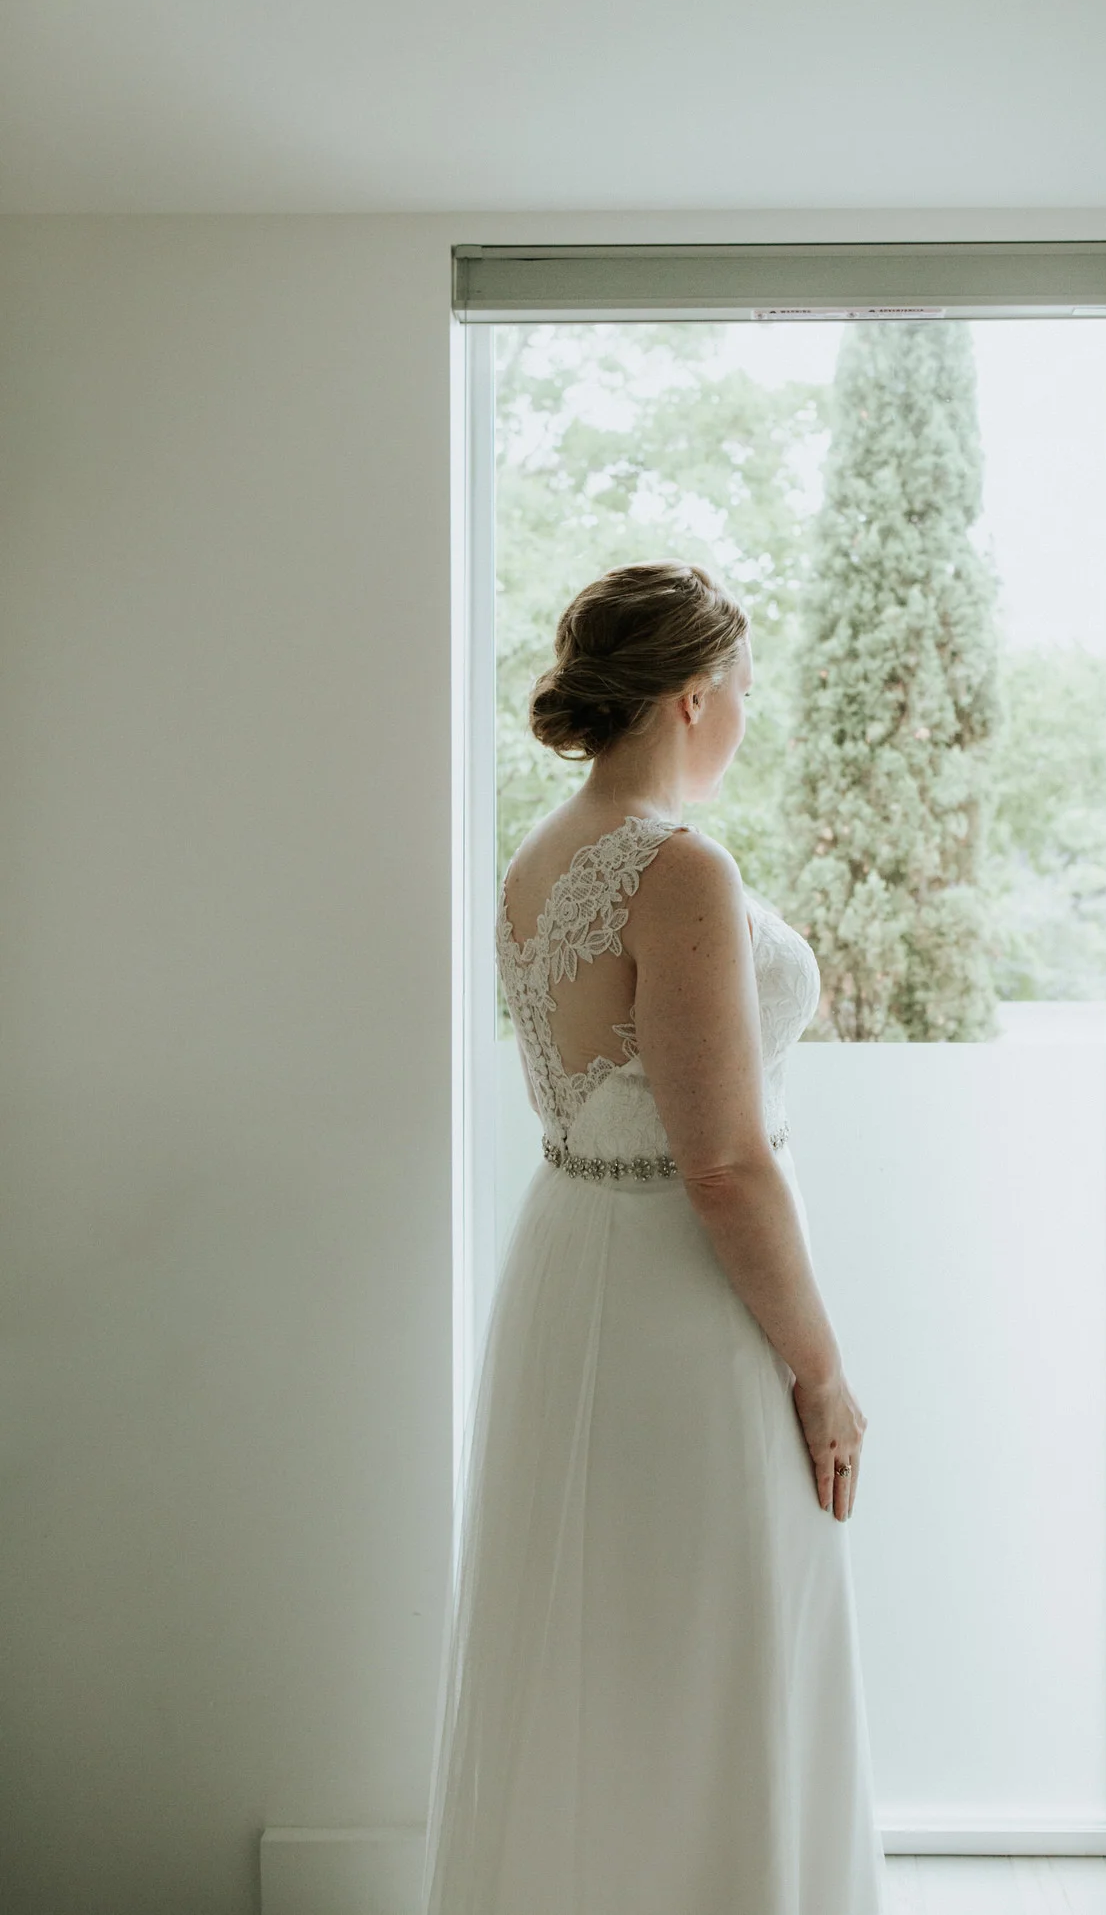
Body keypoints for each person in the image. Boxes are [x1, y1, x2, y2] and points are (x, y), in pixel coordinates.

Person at [423, 561, 885, 1915]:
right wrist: (823, 1374)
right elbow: (728, 1165)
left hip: (571, 1263)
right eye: (743, 684)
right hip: (682, 1308)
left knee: (595, 1645)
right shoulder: (679, 867)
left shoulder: (540, 850)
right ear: (693, 697)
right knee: (705, 1640)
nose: (750, 709)